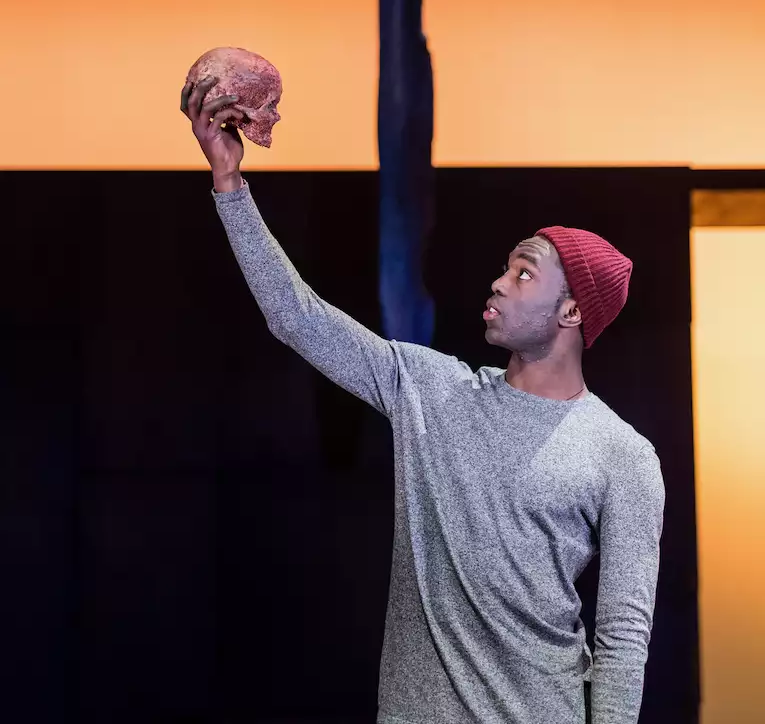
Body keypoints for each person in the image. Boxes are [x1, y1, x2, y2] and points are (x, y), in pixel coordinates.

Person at [181, 76, 665, 724]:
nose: (498, 282)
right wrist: (229, 185)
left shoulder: (621, 455)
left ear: (573, 308)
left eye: (524, 273)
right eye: (505, 267)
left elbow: (622, 643)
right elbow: (298, 318)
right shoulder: (430, 389)